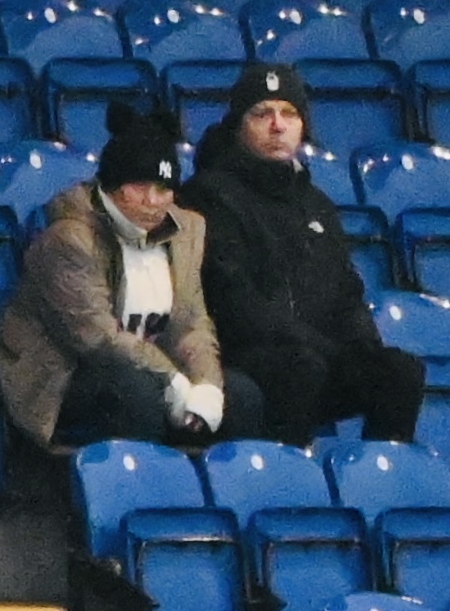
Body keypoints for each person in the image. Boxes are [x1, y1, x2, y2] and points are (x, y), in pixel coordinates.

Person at [181, 72, 428, 441]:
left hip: (316, 355)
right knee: (300, 367)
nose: (277, 126)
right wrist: (320, 348)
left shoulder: (316, 204)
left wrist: (362, 348)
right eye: (262, 114)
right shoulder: (209, 196)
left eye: (289, 113)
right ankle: (288, 471)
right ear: (238, 125)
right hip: (245, 356)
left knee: (398, 371)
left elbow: (347, 292)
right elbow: (235, 301)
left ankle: (378, 473)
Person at [0, 95, 232, 468]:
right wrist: (174, 380)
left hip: (147, 366)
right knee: (136, 392)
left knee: (243, 397)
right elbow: (96, 338)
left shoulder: (186, 232)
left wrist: (206, 386)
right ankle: (135, 489)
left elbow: (191, 321)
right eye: (139, 187)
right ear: (111, 186)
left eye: (164, 189)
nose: (153, 201)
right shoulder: (70, 239)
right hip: (62, 374)